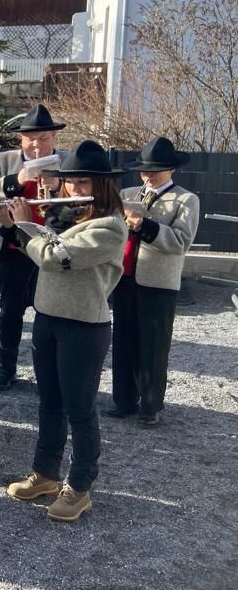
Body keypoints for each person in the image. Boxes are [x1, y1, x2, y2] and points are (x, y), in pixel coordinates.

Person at [0, 140, 127, 522]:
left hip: (84, 326)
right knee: (49, 402)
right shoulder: (65, 216)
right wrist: (12, 226)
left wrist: (25, 227)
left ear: (102, 185)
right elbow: (36, 249)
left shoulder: (109, 226)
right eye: (71, 183)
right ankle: (45, 474)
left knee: (80, 409)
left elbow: (57, 258)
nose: (75, 189)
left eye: (84, 183)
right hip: (48, 318)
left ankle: (80, 487)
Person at [109, 137, 200, 426]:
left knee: (153, 345)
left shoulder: (186, 199)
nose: (148, 175)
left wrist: (145, 225)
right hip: (125, 276)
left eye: (155, 170)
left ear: (171, 169)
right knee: (123, 341)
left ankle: (150, 406)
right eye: (144, 170)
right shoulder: (128, 192)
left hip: (159, 282)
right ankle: (123, 400)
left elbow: (181, 241)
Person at [0, 104, 66, 391]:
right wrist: (19, 179)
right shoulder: (5, 159)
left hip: (50, 247)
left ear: (53, 138)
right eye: (31, 139)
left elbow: (83, 196)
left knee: (49, 313)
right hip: (13, 247)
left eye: (43, 139)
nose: (37, 145)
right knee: (9, 311)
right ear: (21, 140)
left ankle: (46, 371)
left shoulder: (66, 162)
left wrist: (58, 185)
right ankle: (6, 367)